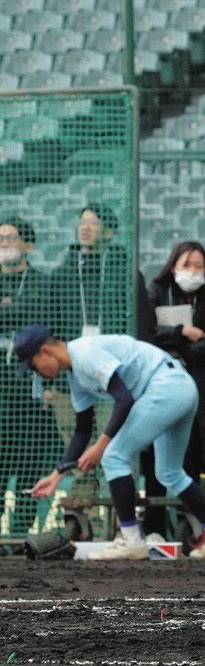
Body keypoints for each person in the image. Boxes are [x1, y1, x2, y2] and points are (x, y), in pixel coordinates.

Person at [22, 323, 205, 560]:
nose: (36, 372)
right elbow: (82, 431)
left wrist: (100, 447)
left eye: (33, 365)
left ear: (45, 351)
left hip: (165, 388)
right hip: (181, 388)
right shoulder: (76, 377)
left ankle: (132, 540)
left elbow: (124, 399)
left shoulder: (83, 353)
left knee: (113, 456)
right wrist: (57, 475)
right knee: (170, 473)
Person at [143, 241, 205, 538]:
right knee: (154, 458)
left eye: (198, 266)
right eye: (186, 265)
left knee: (191, 457)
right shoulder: (156, 291)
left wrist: (184, 354)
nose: (192, 271)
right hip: (159, 383)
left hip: (197, 384)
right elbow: (149, 332)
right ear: (173, 265)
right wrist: (182, 333)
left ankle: (190, 523)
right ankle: (153, 525)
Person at [0, 216, 55, 536]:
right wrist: (18, 309)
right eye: (1, 239)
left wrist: (9, 308)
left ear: (28, 245)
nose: (5, 245)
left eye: (11, 238)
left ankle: (20, 532)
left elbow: (42, 320)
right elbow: (26, 314)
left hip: (30, 386)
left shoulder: (41, 283)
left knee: (29, 460)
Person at [54, 204, 129, 338]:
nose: (85, 228)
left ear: (108, 232)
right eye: (82, 223)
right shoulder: (62, 274)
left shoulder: (125, 273)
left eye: (93, 223)